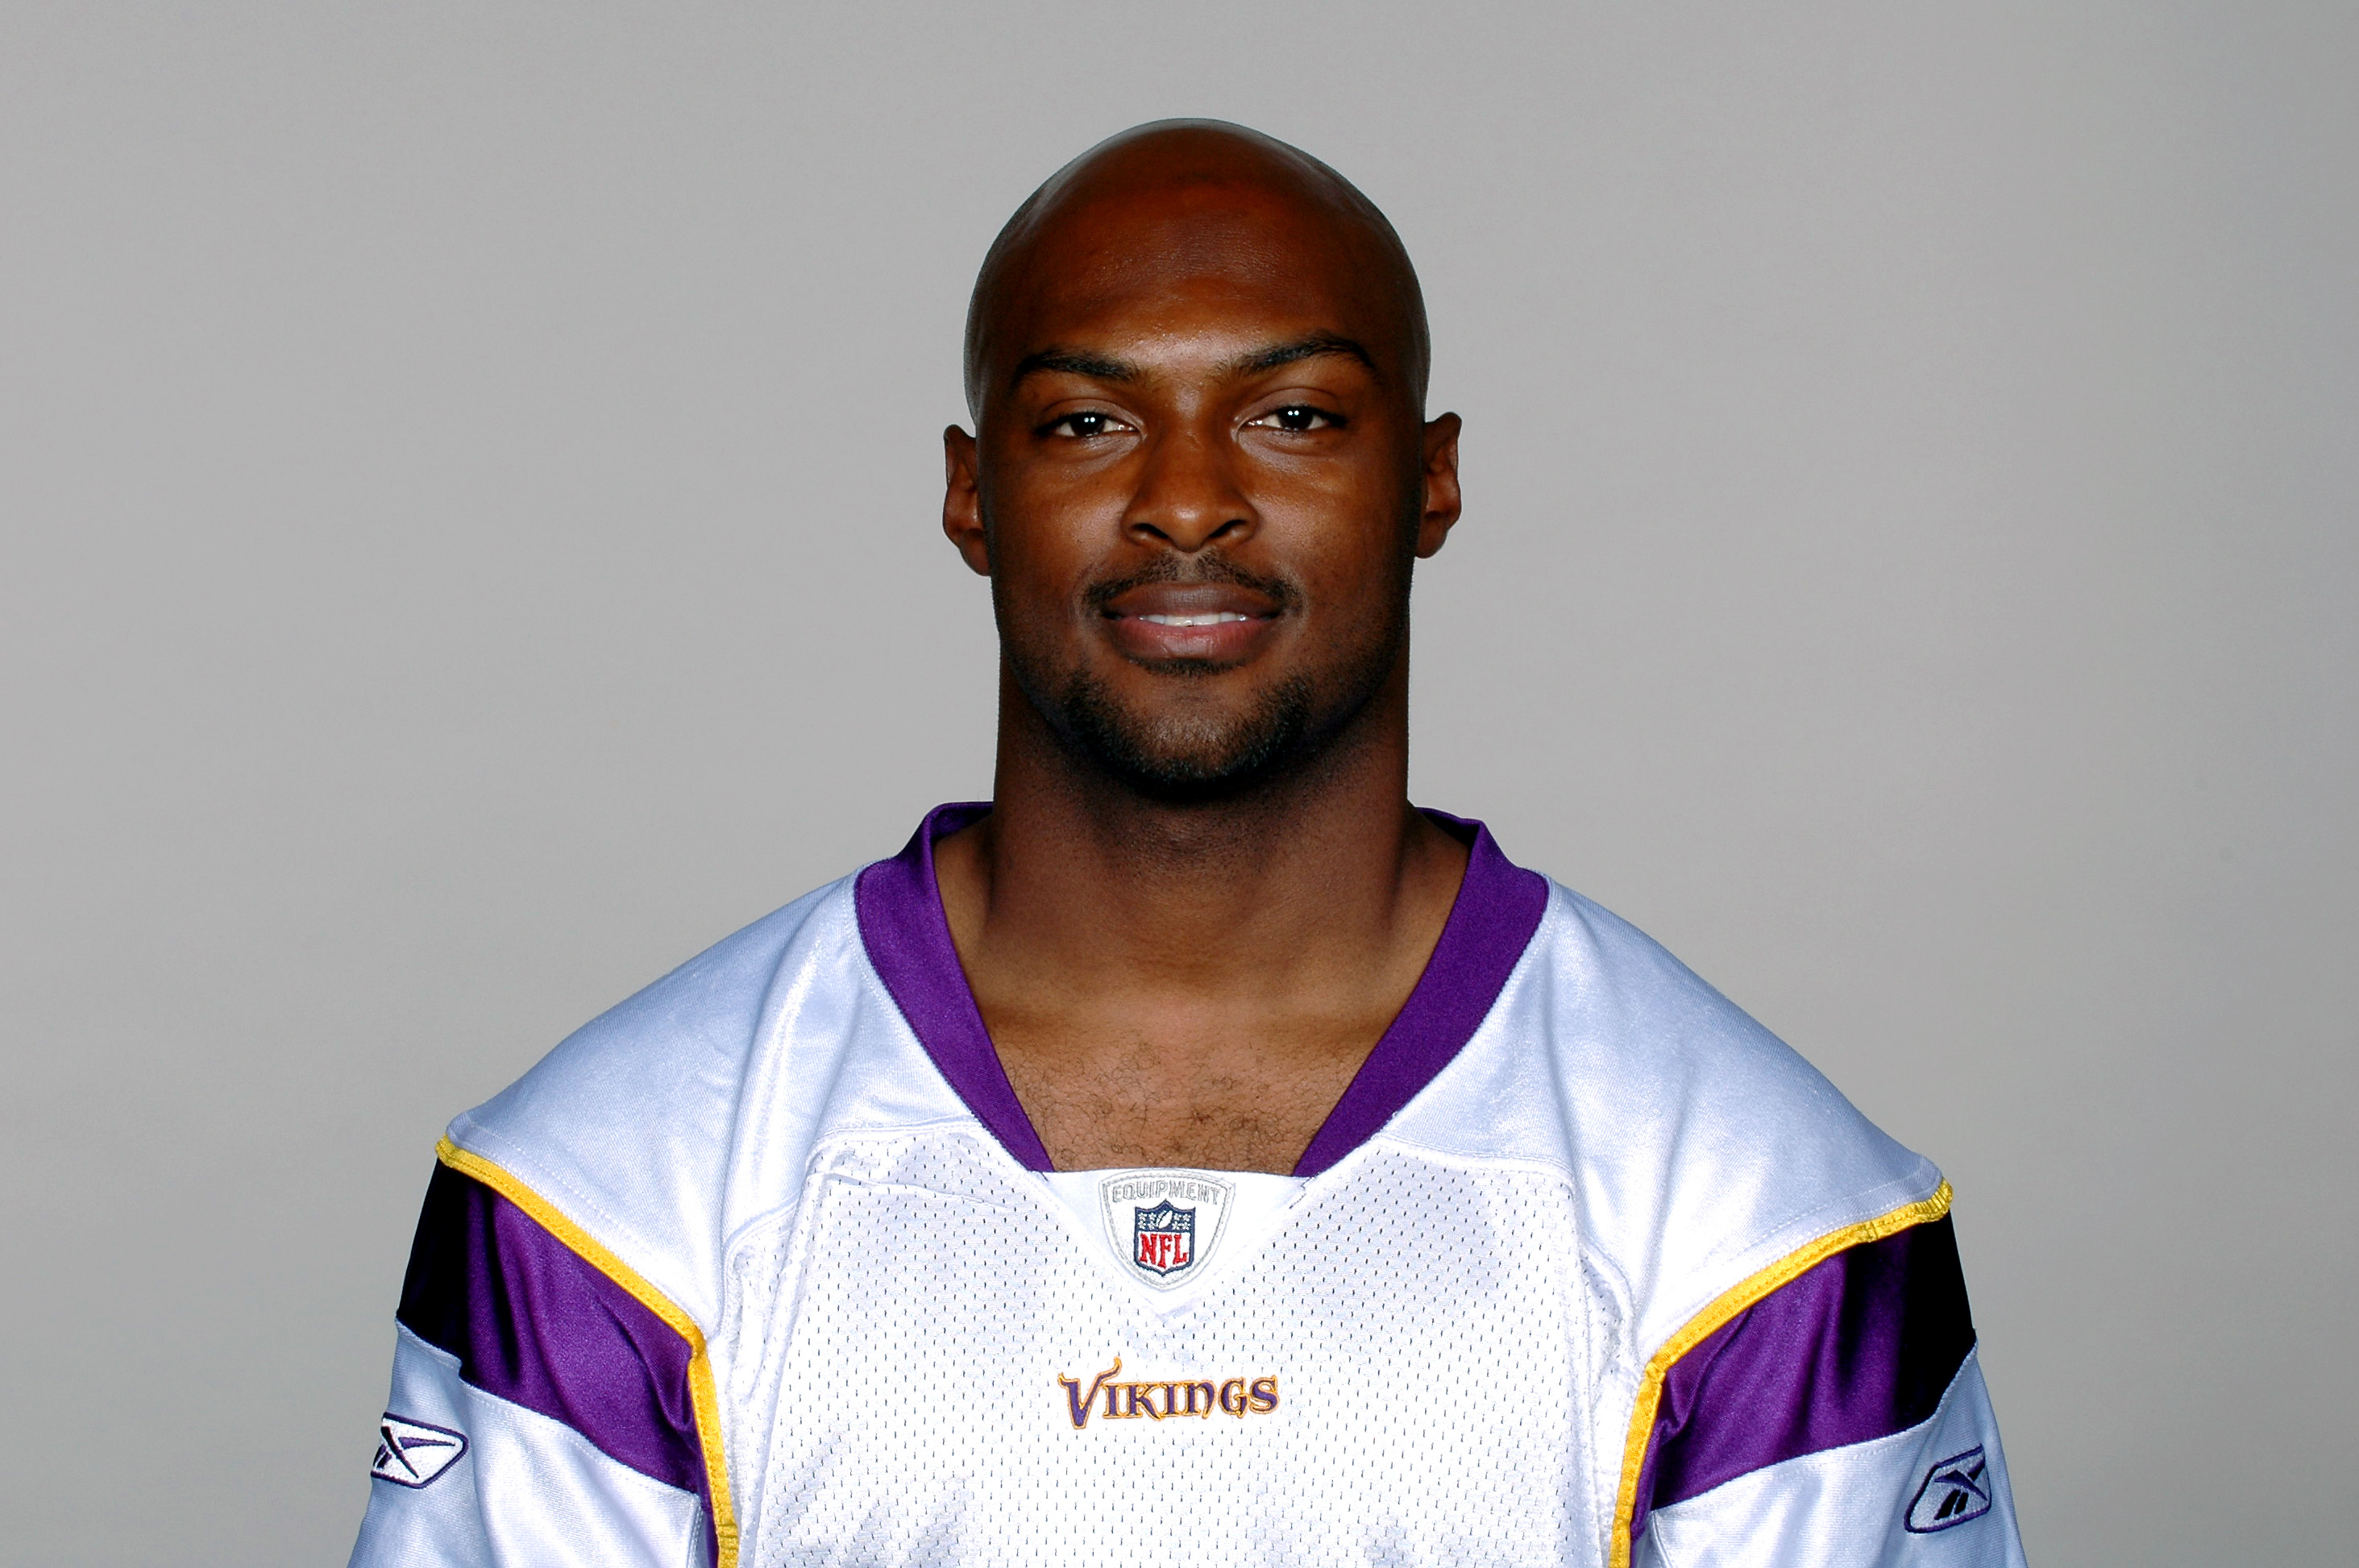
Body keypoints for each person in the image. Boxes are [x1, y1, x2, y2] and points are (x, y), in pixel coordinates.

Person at [348, 120, 2027, 1568]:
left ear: (1431, 482)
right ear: (972, 494)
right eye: (1089, 422)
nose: (1188, 499)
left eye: (1293, 415)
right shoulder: (611, 1194)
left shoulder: (1759, 1212)